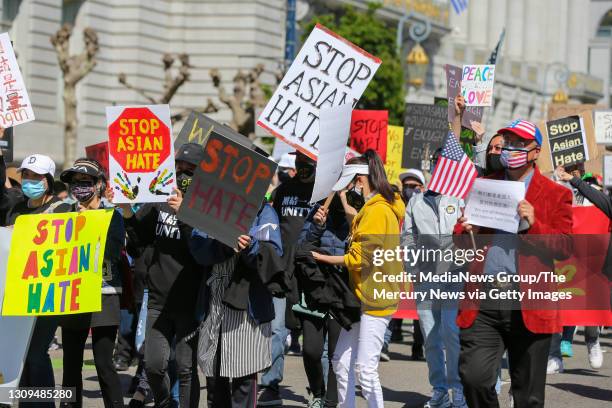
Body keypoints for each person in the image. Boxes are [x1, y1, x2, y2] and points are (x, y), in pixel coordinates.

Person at [456, 120, 573, 408]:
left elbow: (565, 248)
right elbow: (462, 243)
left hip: (530, 304)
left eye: (520, 144)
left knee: (528, 396)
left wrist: (534, 223)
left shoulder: (557, 194)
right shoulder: (485, 186)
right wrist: (464, 229)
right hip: (485, 300)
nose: (511, 149)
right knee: (474, 377)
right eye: (507, 142)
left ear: (535, 152)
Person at [312, 150, 405, 408]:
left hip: (375, 299)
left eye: (351, 181)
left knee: (365, 369)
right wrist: (342, 199)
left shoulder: (378, 210)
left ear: (360, 179)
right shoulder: (376, 207)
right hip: (364, 296)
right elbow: (360, 225)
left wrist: (321, 258)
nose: (350, 187)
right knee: (341, 361)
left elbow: (360, 257)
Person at [118, 143, 205, 408]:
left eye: (189, 170)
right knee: (154, 367)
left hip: (190, 302)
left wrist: (185, 215)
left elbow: (204, 251)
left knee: (186, 368)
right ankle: (165, 402)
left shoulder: (205, 208)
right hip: (157, 300)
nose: (181, 174)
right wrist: (126, 210)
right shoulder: (159, 199)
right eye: (178, 167)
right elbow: (139, 238)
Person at [190, 201, 282, 407]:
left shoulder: (264, 211)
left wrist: (250, 245)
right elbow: (197, 248)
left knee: (244, 381)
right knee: (214, 381)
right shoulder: (210, 205)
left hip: (248, 306)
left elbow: (274, 253)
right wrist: (224, 244)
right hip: (213, 302)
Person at [1, 152, 71, 408]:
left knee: (35, 354)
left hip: (47, 295)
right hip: (18, 293)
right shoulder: (17, 209)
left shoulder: (62, 210)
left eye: (36, 176)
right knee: (19, 354)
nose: (29, 180)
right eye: (26, 175)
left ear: (48, 180)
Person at [58, 158, 125, 408]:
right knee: (70, 364)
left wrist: (89, 226)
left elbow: (113, 252)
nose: (79, 188)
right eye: (75, 183)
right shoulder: (64, 214)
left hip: (104, 295)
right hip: (72, 296)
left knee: (104, 364)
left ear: (98, 185)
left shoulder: (112, 216)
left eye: (85, 182)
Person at [401, 164, 466, 408]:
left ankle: (458, 390)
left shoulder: (460, 198)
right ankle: (439, 390)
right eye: (436, 166)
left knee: (451, 331)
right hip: (427, 279)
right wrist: (413, 267)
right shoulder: (415, 202)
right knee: (430, 337)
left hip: (455, 276)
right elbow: (407, 236)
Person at [258, 151, 317, 407]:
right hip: (282, 270)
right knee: (277, 330)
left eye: (308, 164)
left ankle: (319, 388)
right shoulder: (283, 191)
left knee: (314, 337)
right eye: (299, 163)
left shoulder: (324, 194)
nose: (302, 167)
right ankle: (271, 385)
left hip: (311, 271)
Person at [295, 194, 352, 408]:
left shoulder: (358, 214)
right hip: (315, 291)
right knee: (311, 350)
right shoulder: (317, 212)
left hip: (342, 294)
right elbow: (301, 251)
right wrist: (316, 226)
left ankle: (329, 402)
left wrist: (351, 216)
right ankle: (317, 392)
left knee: (336, 356)